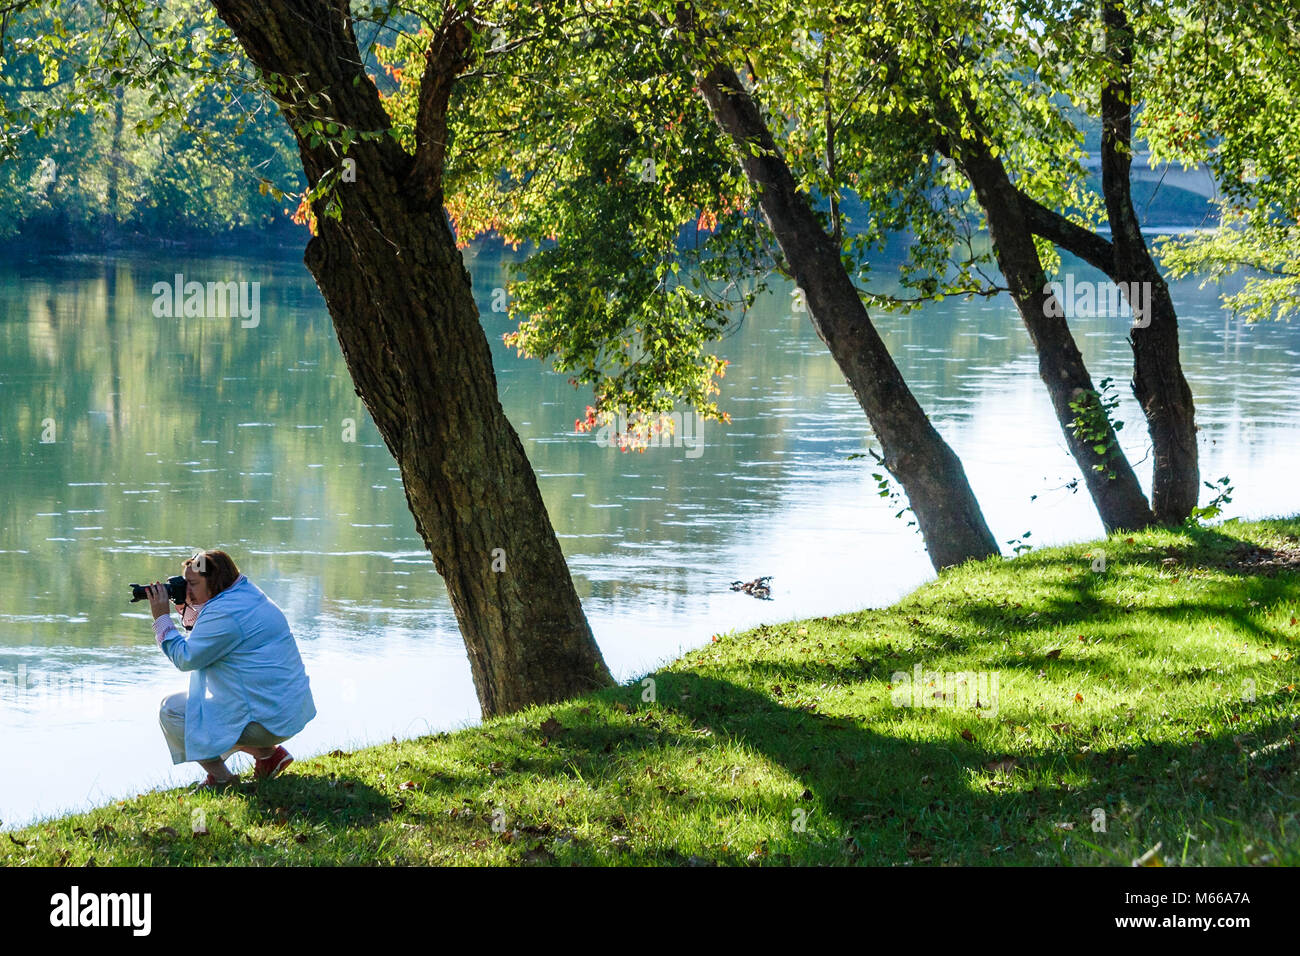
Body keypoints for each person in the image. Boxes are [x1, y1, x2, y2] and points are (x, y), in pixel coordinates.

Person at [147, 550, 316, 791]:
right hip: (286, 711)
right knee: (208, 707)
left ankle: (222, 779)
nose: (187, 590)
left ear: (214, 581)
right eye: (185, 583)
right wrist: (187, 606)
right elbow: (209, 635)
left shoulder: (224, 613)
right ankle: (269, 757)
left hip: (267, 720)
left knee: (171, 712)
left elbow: (186, 658)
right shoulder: (245, 594)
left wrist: (161, 618)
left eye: (193, 584)